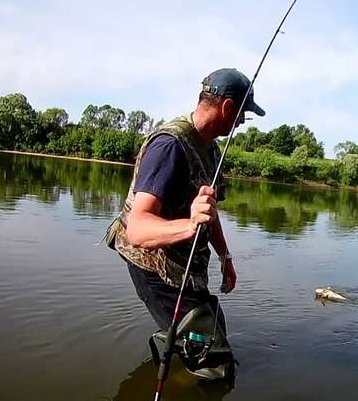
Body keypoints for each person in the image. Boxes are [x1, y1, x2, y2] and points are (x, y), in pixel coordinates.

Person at [104, 68, 265, 337]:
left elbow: (208, 215)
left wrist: (225, 257)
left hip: (187, 267)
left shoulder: (212, 150)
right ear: (227, 107)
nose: (243, 122)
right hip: (154, 268)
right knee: (209, 357)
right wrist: (190, 225)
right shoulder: (169, 146)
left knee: (214, 332)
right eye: (242, 113)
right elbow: (138, 229)